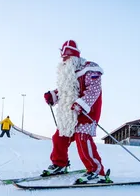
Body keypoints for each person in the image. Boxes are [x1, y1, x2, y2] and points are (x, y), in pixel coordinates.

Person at [43, 40, 111, 184]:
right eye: (63, 58)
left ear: (74, 56)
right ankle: (59, 164)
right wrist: (53, 95)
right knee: (59, 137)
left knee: (82, 138)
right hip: (69, 114)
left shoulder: (89, 69)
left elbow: (93, 90)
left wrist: (82, 104)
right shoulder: (69, 72)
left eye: (66, 57)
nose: (64, 60)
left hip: (87, 112)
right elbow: (66, 91)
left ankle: (96, 172)